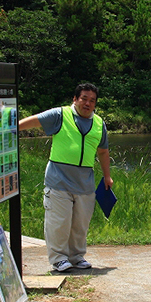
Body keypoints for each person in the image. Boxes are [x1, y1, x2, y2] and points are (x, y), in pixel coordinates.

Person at [18, 83, 113, 272]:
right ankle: (58, 258)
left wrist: (107, 176)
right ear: (75, 99)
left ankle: (77, 256)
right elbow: (34, 121)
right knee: (58, 222)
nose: (87, 103)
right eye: (84, 98)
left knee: (80, 223)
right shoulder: (60, 115)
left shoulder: (98, 123)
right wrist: (10, 128)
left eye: (92, 100)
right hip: (58, 180)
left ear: (95, 104)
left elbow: (103, 152)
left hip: (85, 182)